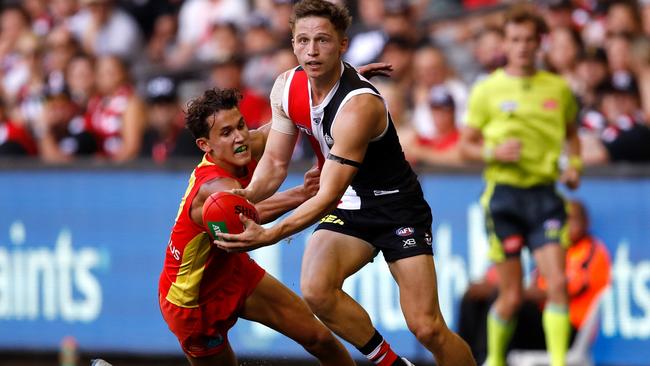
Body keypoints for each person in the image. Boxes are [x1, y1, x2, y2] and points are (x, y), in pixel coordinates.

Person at [213, 1, 476, 366]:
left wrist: (269, 233)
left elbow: (327, 194)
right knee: (316, 289)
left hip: (396, 206)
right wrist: (243, 197)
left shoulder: (360, 105)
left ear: (343, 45)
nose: (312, 50)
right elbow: (274, 164)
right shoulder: (286, 88)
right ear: (291, 44)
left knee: (427, 327)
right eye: (303, 40)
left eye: (322, 40)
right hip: (351, 201)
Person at [157, 88, 355, 366]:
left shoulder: (247, 144)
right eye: (226, 133)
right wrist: (301, 194)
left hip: (231, 271)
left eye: (240, 125)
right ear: (205, 145)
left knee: (319, 338)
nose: (239, 137)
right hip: (192, 302)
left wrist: (345, 90)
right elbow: (248, 217)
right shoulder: (214, 187)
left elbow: (292, 119)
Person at [458, 5, 582, 366]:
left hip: (544, 196)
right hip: (504, 197)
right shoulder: (487, 90)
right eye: (515, 40)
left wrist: (574, 166)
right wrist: (493, 151)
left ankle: (559, 362)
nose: (523, 47)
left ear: (540, 42)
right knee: (510, 295)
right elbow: (465, 145)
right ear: (505, 43)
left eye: (530, 39)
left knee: (556, 285)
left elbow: (572, 136)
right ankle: (495, 359)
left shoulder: (557, 89)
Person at [457, 200, 611, 364]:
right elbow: (533, 285)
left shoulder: (592, 251)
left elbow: (557, 290)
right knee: (473, 298)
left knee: (506, 300)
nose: (565, 225)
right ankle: (466, 360)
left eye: (572, 219)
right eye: (562, 219)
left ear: (586, 222)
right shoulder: (557, 250)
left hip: (569, 329)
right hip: (541, 321)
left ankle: (486, 360)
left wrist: (505, 290)